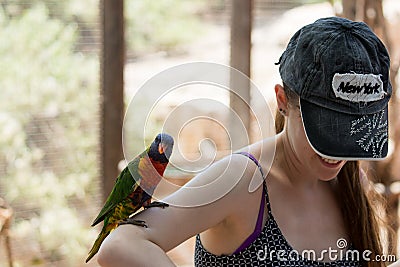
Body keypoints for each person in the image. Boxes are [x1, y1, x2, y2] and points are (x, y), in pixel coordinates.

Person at [96, 17, 398, 267]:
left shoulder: (349, 180)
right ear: (282, 100)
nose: (339, 150)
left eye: (355, 128)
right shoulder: (242, 180)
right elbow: (121, 244)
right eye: (329, 127)